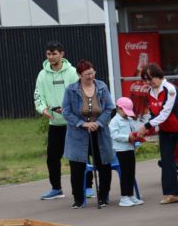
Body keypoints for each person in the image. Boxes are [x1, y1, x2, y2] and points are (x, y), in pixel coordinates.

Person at [134, 63, 178, 204]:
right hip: (166, 130)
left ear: (159, 76)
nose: (149, 82)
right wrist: (147, 130)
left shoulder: (171, 89)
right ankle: (171, 194)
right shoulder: (150, 92)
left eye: (151, 78)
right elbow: (153, 114)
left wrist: (146, 126)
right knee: (167, 161)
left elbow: (165, 113)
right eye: (146, 80)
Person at [61, 60, 116, 208]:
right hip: (78, 134)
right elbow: (66, 111)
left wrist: (98, 123)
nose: (90, 76)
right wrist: (83, 123)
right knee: (77, 166)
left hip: (100, 132)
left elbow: (109, 109)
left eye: (92, 73)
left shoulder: (102, 86)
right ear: (79, 75)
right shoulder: (71, 89)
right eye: (87, 74)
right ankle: (78, 199)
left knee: (104, 163)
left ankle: (104, 196)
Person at [33, 40, 79, 200]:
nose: (51, 57)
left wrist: (68, 109)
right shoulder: (42, 74)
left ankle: (86, 187)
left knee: (77, 157)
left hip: (73, 123)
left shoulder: (72, 72)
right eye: (48, 54)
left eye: (54, 53)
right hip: (55, 123)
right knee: (52, 157)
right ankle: (56, 188)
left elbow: (79, 93)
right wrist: (43, 109)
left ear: (62, 54)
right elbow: (38, 95)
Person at [109, 97, 144, 207]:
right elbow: (114, 135)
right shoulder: (114, 121)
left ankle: (130, 195)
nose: (126, 114)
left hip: (130, 149)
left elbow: (134, 132)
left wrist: (137, 140)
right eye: (125, 111)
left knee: (131, 172)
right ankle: (124, 197)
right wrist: (127, 137)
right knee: (124, 173)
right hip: (120, 151)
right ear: (119, 108)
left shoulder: (129, 120)